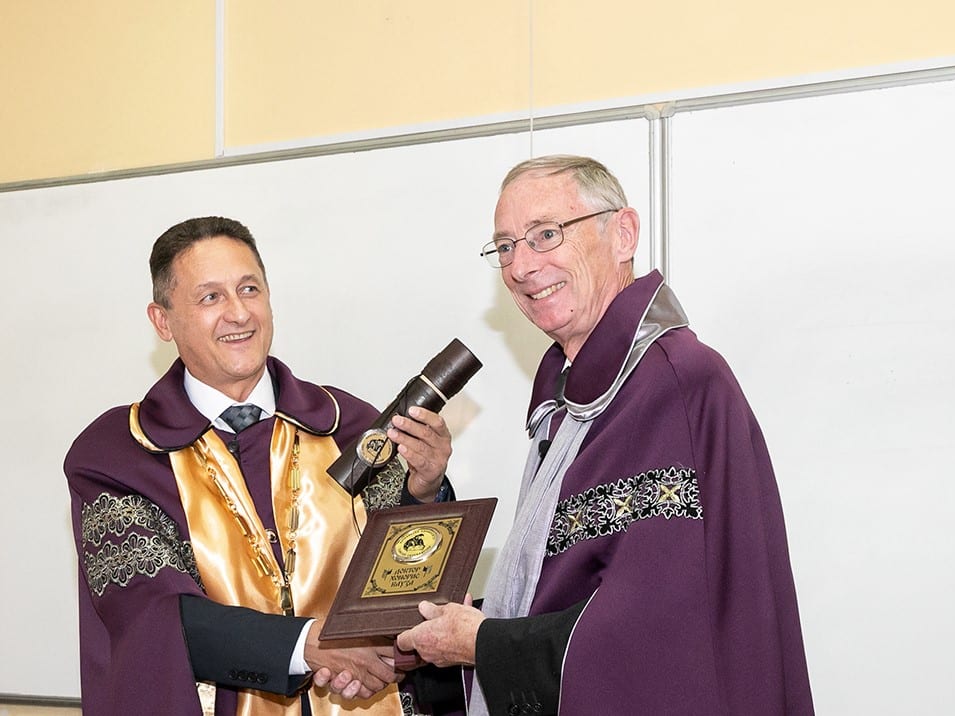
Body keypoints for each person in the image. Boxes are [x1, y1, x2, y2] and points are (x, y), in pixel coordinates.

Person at [396, 156, 815, 715]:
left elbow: (658, 628)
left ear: (623, 234)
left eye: (545, 235)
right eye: (505, 247)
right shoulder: (572, 402)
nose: (521, 266)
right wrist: (444, 634)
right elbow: (566, 589)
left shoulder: (672, 383)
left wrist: (481, 642)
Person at [65, 216, 460, 716]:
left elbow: (406, 578)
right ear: (162, 321)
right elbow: (154, 614)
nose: (238, 313)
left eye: (249, 289)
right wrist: (305, 645)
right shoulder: (119, 455)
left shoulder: (350, 427)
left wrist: (423, 493)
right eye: (210, 297)